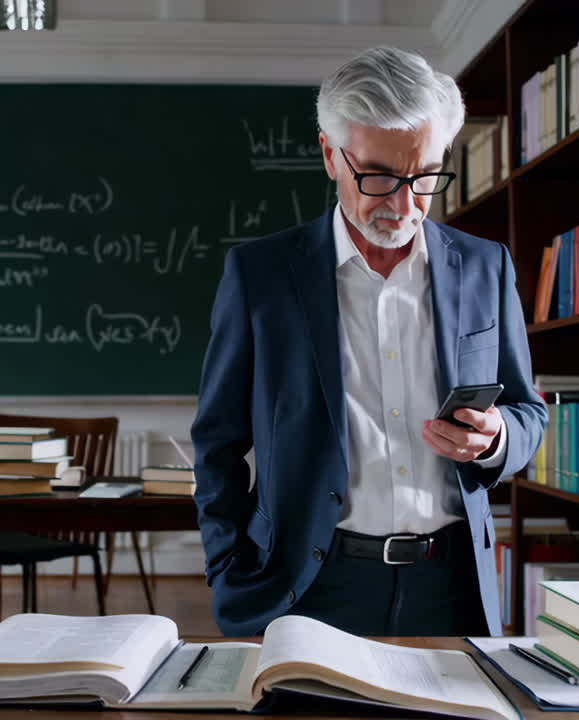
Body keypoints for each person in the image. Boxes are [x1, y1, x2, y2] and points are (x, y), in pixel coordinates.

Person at [191, 46, 547, 638]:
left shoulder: (488, 268)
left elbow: (528, 415)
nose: (404, 204)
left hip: (454, 585)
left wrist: (497, 438)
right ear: (332, 155)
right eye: (379, 177)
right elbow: (217, 444)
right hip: (309, 585)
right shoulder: (261, 276)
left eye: (426, 175)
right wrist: (227, 566)